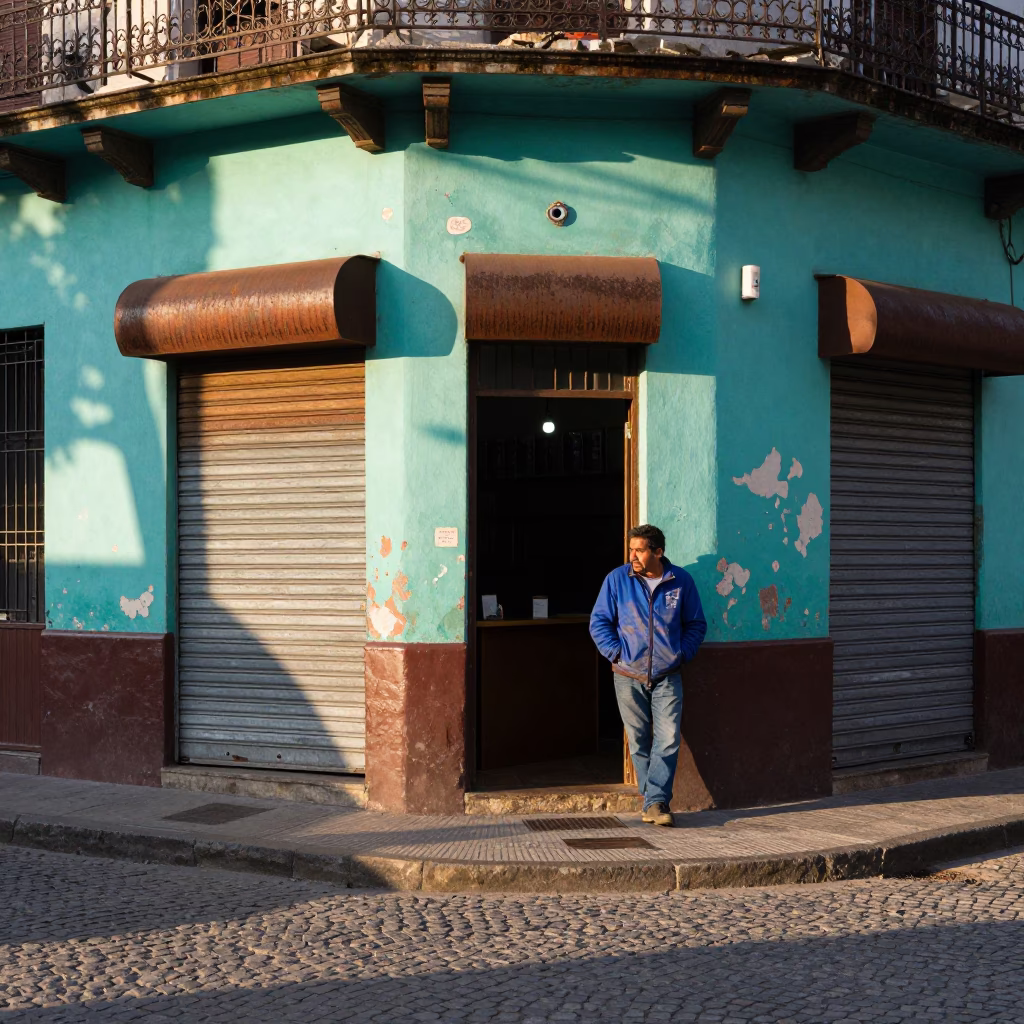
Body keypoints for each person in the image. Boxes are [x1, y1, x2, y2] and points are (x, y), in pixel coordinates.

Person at [589, 524, 707, 827]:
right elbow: (599, 622)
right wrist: (617, 654)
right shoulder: (617, 580)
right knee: (638, 740)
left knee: (667, 738)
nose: (633, 556)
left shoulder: (681, 581)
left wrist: (681, 653)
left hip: (669, 674)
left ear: (658, 552)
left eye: (639, 550)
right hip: (627, 675)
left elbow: (696, 624)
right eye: (631, 550)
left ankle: (654, 802)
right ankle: (653, 800)